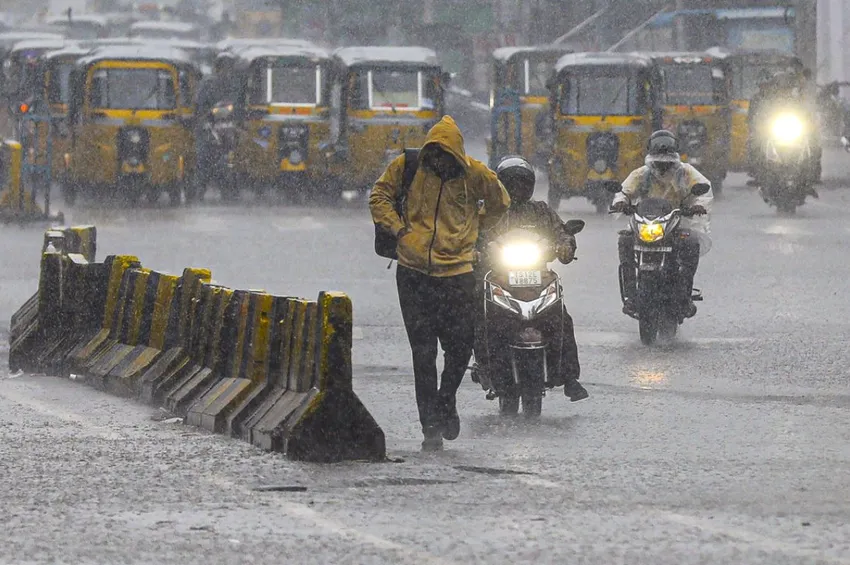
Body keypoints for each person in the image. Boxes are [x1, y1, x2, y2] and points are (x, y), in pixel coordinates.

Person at [370, 115, 511, 452]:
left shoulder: (475, 174)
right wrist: (400, 231)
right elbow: (379, 197)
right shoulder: (408, 165)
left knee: (460, 346)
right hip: (413, 273)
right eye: (434, 157)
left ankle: (446, 401)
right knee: (423, 353)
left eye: (445, 159)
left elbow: (500, 203)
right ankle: (430, 426)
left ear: (457, 157)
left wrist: (474, 229)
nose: (438, 164)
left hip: (458, 274)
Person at [472, 155, 588, 402]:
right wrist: (475, 252)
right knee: (478, 317)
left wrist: (566, 246)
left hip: (538, 279)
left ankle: (569, 377)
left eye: (522, 184)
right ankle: (483, 366)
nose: (517, 189)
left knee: (562, 319)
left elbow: (561, 233)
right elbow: (471, 236)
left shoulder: (541, 211)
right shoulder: (488, 212)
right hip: (498, 277)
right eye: (510, 184)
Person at [611, 130, 712, 318]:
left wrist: (698, 206)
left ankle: (684, 295)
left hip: (678, 222)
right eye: (658, 162)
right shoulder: (642, 174)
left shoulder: (687, 172)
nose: (662, 167)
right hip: (645, 223)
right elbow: (624, 190)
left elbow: (703, 191)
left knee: (690, 243)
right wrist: (621, 202)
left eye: (666, 163)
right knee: (625, 241)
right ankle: (631, 295)